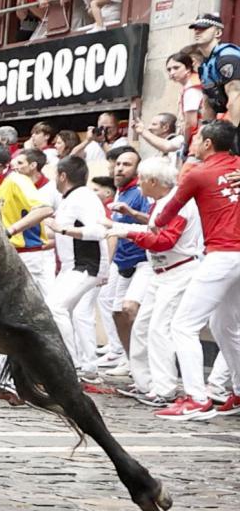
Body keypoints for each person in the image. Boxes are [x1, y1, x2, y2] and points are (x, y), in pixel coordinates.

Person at [144, 121, 240, 419]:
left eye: (197, 138)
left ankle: (197, 398)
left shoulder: (197, 173)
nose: (192, 142)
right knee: (226, 326)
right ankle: (237, 392)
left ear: (208, 144)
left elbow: (166, 213)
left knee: (183, 325)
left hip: (221, 255)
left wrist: (150, 223)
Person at [108, 155, 199, 408]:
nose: (139, 184)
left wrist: (128, 232)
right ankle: (147, 383)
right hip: (162, 271)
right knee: (142, 328)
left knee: (160, 330)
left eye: (142, 180)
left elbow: (165, 240)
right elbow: (154, 228)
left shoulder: (178, 204)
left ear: (154, 181)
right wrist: (133, 221)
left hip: (178, 270)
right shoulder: (160, 202)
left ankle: (166, 388)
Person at [0, 143, 54, 401]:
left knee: (30, 320)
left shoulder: (15, 180)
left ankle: (41, 377)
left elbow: (44, 209)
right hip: (9, 257)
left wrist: (11, 231)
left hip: (30, 256)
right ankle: (5, 379)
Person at [44, 155, 113, 370]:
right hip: (70, 266)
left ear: (63, 176)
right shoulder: (71, 198)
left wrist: (61, 229)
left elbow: (99, 230)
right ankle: (84, 365)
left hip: (85, 265)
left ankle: (69, 365)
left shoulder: (83, 197)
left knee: (56, 308)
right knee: (69, 312)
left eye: (56, 175)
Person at [97, 146, 151, 373]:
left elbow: (152, 223)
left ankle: (140, 363)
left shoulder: (140, 192)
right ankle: (127, 359)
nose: (120, 168)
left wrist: (129, 215)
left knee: (131, 311)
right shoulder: (121, 192)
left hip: (142, 261)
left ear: (137, 169)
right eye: (118, 164)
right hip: (123, 262)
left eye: (126, 164)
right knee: (117, 312)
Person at [189, 12, 240, 124]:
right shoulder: (205, 65)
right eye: (196, 28)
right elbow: (208, 104)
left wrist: (229, 135)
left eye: (203, 28)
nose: (197, 31)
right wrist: (205, 132)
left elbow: (236, 99)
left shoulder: (228, 58)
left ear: (218, 32)